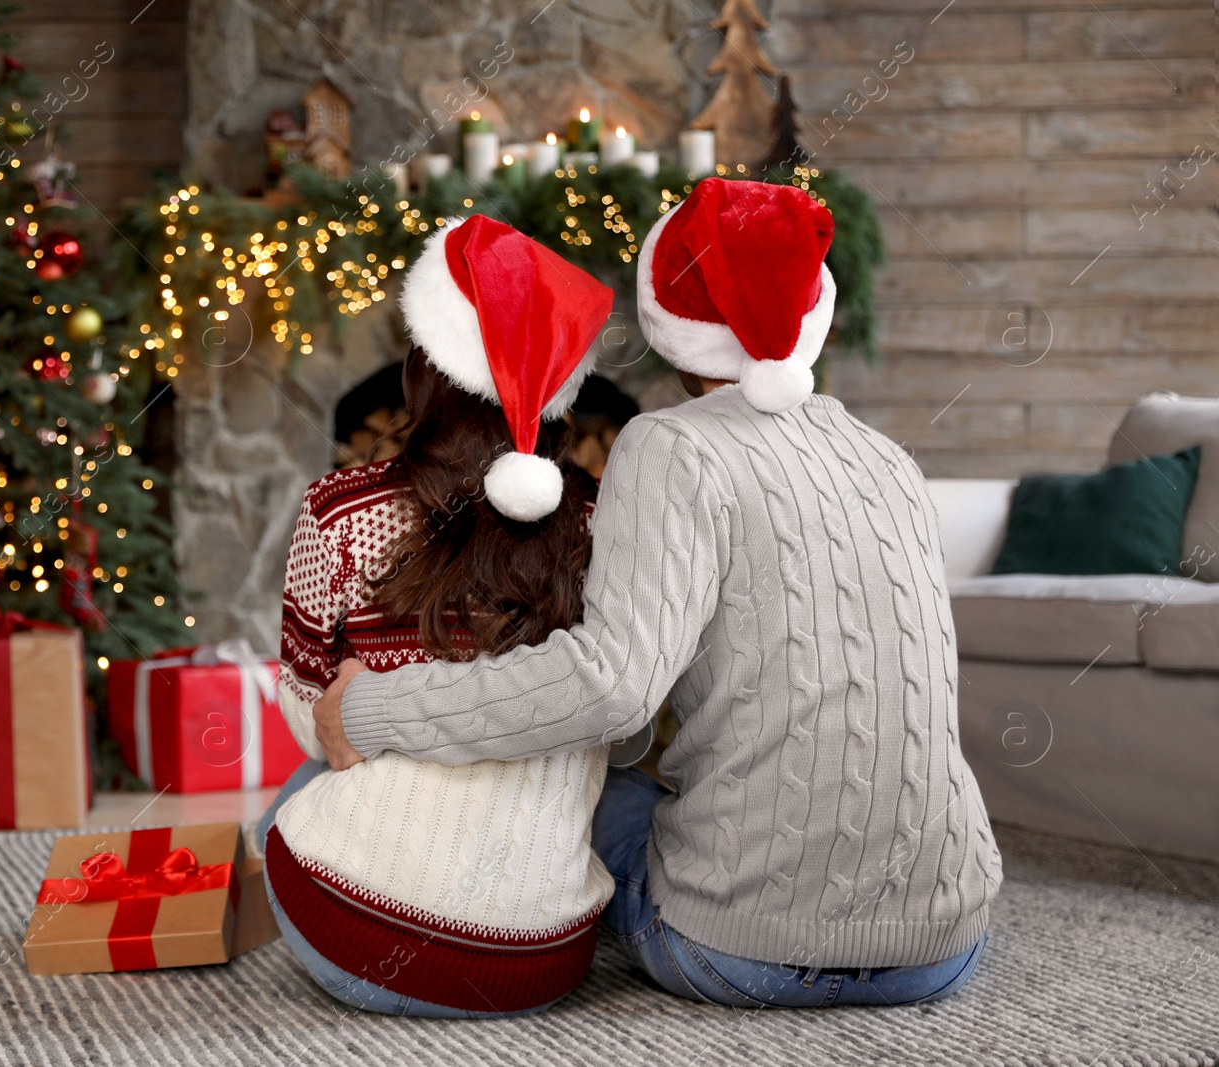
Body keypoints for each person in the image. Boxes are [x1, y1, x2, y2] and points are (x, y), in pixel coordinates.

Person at [313, 178, 1003, 1009]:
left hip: (741, 952)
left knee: (577, 791)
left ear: (670, 327)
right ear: (813, 311)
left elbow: (609, 690)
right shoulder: (890, 458)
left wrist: (372, 709)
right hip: (945, 942)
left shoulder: (669, 445)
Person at [257, 214, 618, 1018]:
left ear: (423, 361)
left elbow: (312, 721)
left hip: (356, 939)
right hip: (544, 963)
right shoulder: (605, 520)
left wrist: (378, 702)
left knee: (279, 806)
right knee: (619, 804)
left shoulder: (340, 508)